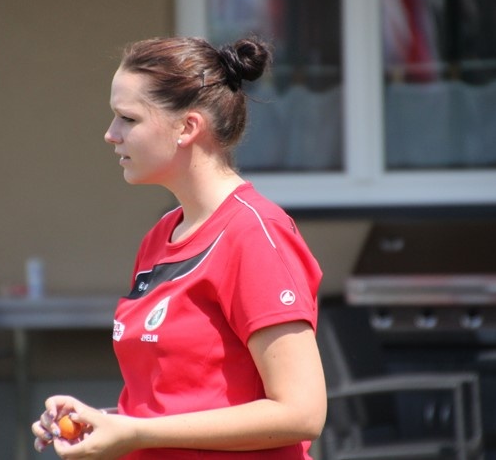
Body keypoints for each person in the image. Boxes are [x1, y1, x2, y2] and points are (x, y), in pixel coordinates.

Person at [31, 36, 327, 459]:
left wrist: (136, 432)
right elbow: (179, 406)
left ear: (187, 128)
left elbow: (302, 413)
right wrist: (105, 422)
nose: (110, 135)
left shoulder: (254, 233)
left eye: (128, 118)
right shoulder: (161, 236)